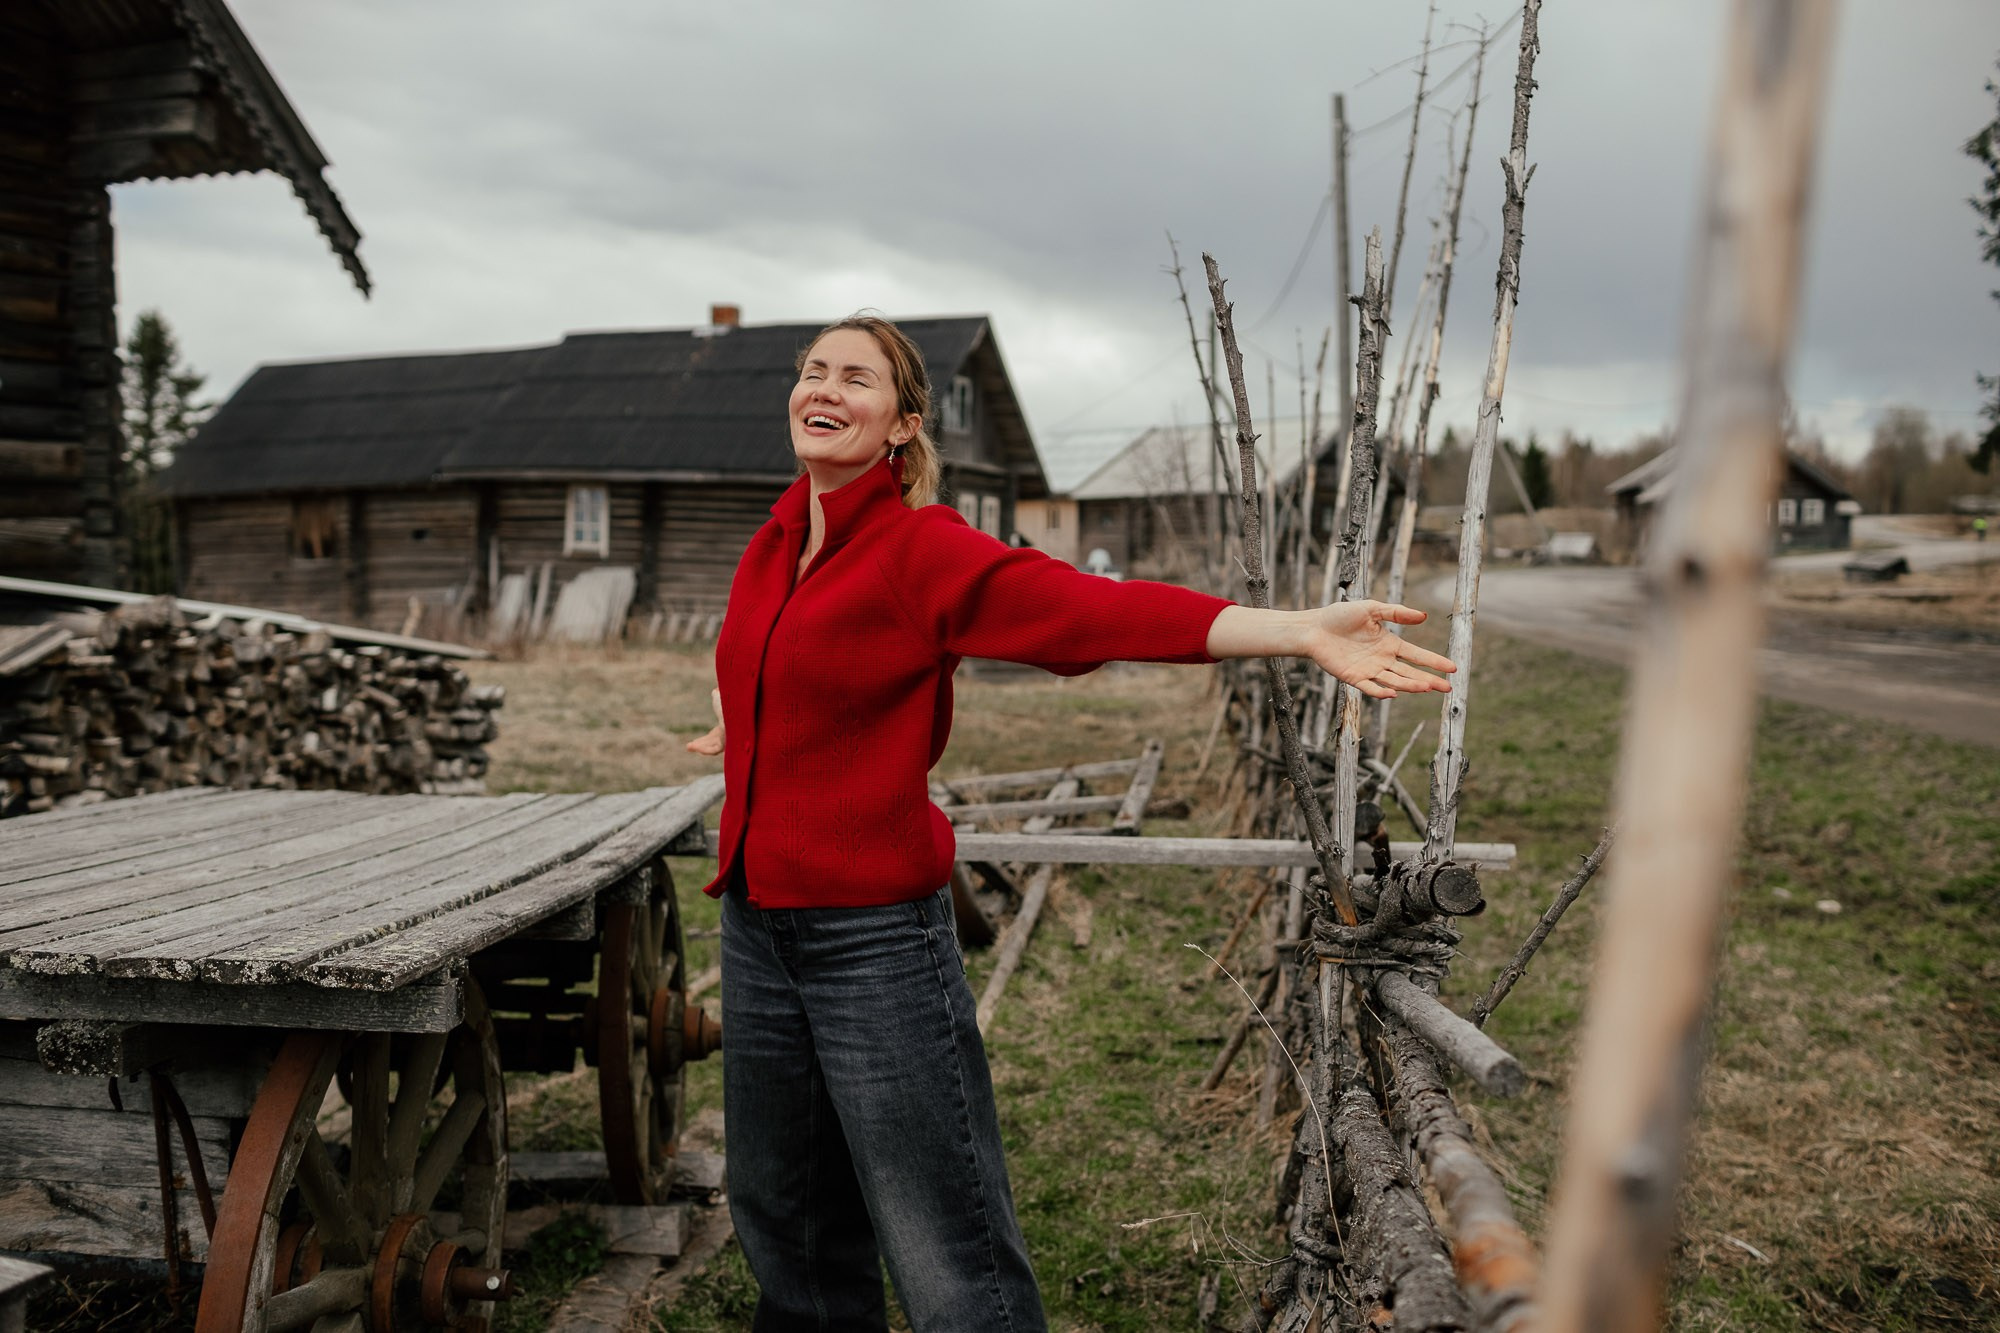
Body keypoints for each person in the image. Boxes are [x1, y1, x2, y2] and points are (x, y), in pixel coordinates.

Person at [684, 314, 1455, 1332]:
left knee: (941, 1243)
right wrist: (747, 713)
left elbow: (1088, 610)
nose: (823, 388)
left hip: (869, 944)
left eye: (856, 379)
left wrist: (1296, 631)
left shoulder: (920, 550)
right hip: (754, 927)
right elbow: (775, 651)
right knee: (786, 1224)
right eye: (812, 371)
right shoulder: (777, 541)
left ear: (904, 424)